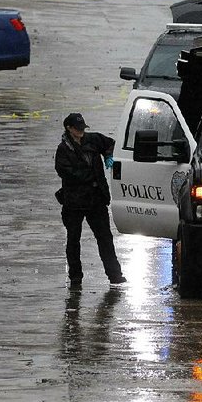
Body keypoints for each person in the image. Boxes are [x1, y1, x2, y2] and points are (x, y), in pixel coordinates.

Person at [54, 113, 126, 287]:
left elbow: (110, 144)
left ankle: (115, 275)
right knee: (73, 240)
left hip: (96, 200)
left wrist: (108, 155)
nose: (80, 132)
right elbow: (65, 171)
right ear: (69, 129)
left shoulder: (92, 139)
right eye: (77, 129)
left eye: (82, 129)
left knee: (105, 239)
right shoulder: (63, 149)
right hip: (74, 202)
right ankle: (75, 277)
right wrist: (91, 176)